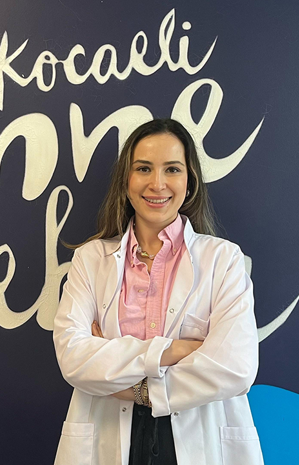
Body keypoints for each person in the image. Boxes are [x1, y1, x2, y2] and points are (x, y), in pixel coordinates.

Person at [52, 119, 264, 465]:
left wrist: (136, 387)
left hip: (200, 435)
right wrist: (175, 350)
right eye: (143, 168)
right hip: (108, 433)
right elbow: (74, 358)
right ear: (126, 181)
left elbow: (235, 367)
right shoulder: (91, 259)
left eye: (172, 169)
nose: (157, 183)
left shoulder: (222, 259)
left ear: (189, 182)